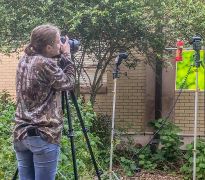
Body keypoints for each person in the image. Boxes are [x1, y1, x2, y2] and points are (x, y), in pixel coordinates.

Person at [13, 24, 75, 180]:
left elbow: (46, 69)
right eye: (57, 42)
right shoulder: (45, 64)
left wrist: (58, 54)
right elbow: (68, 82)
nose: (60, 45)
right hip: (43, 134)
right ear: (48, 47)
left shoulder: (24, 60)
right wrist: (67, 56)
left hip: (21, 133)